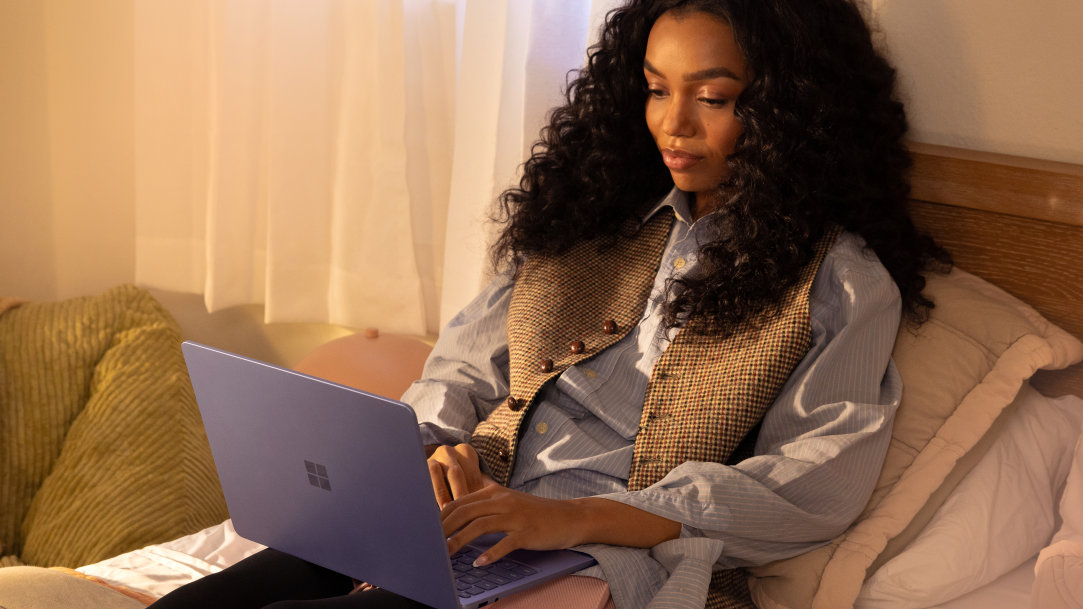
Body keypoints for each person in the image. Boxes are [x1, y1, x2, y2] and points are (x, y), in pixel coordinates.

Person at [151, 0, 949, 607]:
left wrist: (574, 517)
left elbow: (810, 487)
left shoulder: (838, 280)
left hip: (601, 555)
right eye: (655, 90)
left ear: (789, 110)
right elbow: (462, 369)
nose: (672, 125)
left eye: (711, 97)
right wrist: (428, 451)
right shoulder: (585, 220)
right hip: (461, 515)